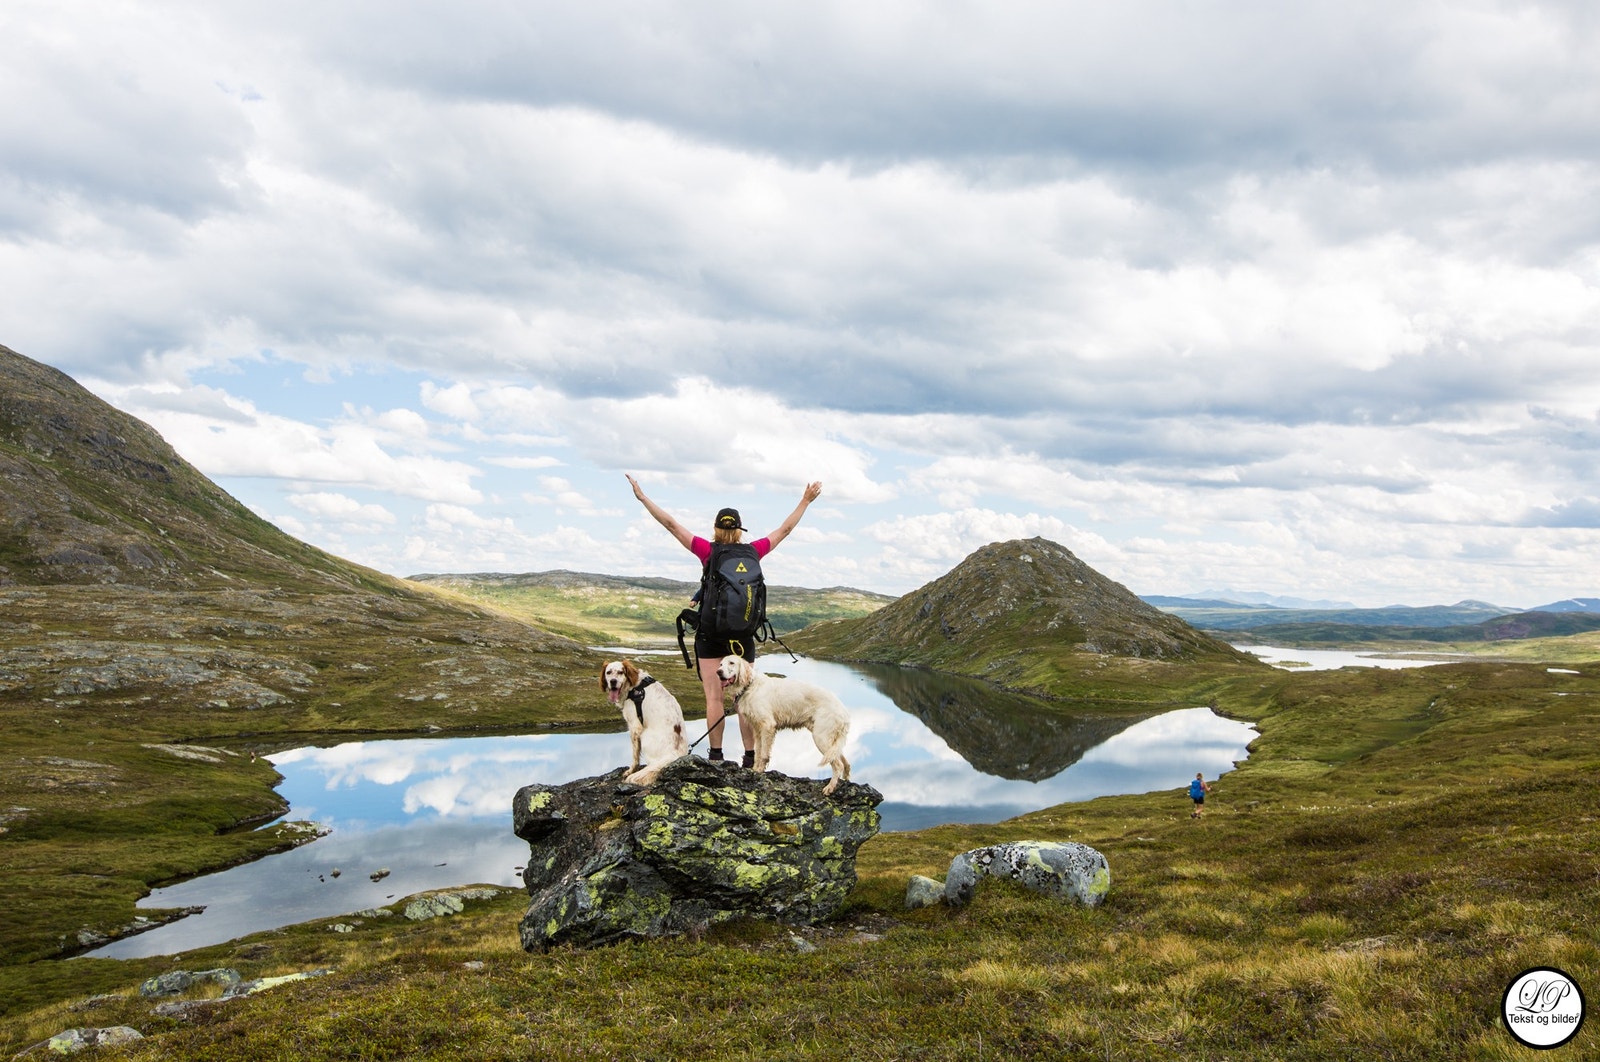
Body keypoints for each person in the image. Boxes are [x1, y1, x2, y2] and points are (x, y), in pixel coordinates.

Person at [626, 474, 823, 767]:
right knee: (745, 700)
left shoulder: (708, 551)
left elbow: (671, 525)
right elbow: (785, 529)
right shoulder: (754, 551)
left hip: (711, 636)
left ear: (716, 529)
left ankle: (716, 757)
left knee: (714, 699)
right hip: (743, 638)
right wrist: (805, 500)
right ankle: (750, 757)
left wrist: (643, 498)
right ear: (740, 530)